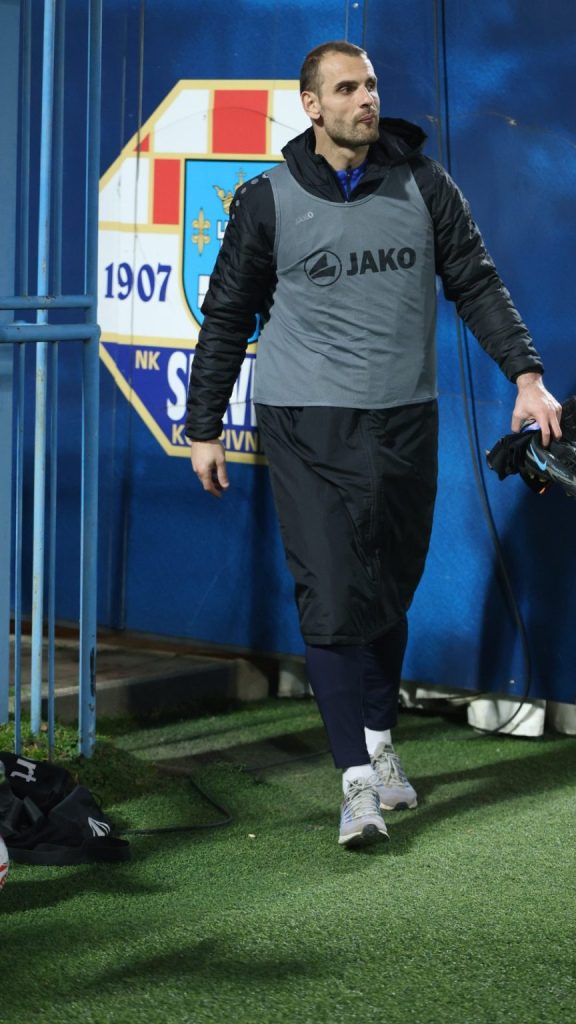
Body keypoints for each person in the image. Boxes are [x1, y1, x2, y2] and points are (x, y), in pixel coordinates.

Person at [185, 41, 562, 848]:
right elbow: (226, 315)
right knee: (330, 591)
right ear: (312, 105)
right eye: (347, 88)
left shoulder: (425, 184)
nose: (366, 100)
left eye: (372, 86)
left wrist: (526, 376)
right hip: (304, 421)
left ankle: (381, 742)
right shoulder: (267, 199)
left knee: (388, 590)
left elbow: (476, 281)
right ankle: (355, 781)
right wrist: (203, 425)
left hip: (404, 418)